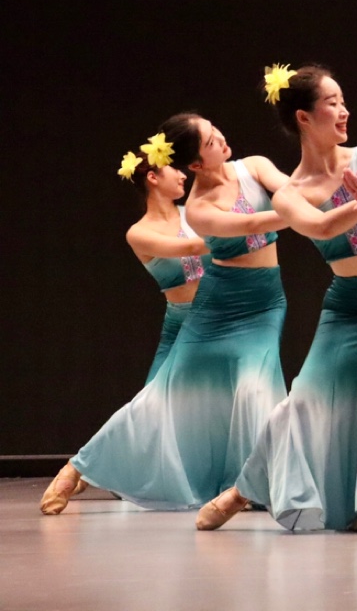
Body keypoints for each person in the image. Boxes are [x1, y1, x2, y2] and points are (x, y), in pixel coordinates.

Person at [196, 64, 357, 532]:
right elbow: (319, 226)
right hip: (348, 308)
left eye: (343, 101)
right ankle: (244, 490)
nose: (344, 110)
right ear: (303, 116)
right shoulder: (289, 194)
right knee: (303, 399)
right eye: (332, 102)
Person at [41, 116, 290, 514]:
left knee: (252, 389)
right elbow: (196, 248)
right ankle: (81, 467)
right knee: (158, 401)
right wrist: (290, 218)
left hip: (247, 303)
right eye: (209, 139)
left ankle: (247, 482)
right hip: (190, 318)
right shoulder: (152, 227)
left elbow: (285, 192)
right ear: (157, 176)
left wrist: (316, 196)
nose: (222, 138)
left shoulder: (243, 175)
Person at [117, 148, 211, 383]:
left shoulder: (194, 212)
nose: (183, 175)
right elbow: (191, 248)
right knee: (159, 402)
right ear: (153, 177)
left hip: (221, 311)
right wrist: (242, 231)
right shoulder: (138, 233)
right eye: (175, 169)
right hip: (183, 323)